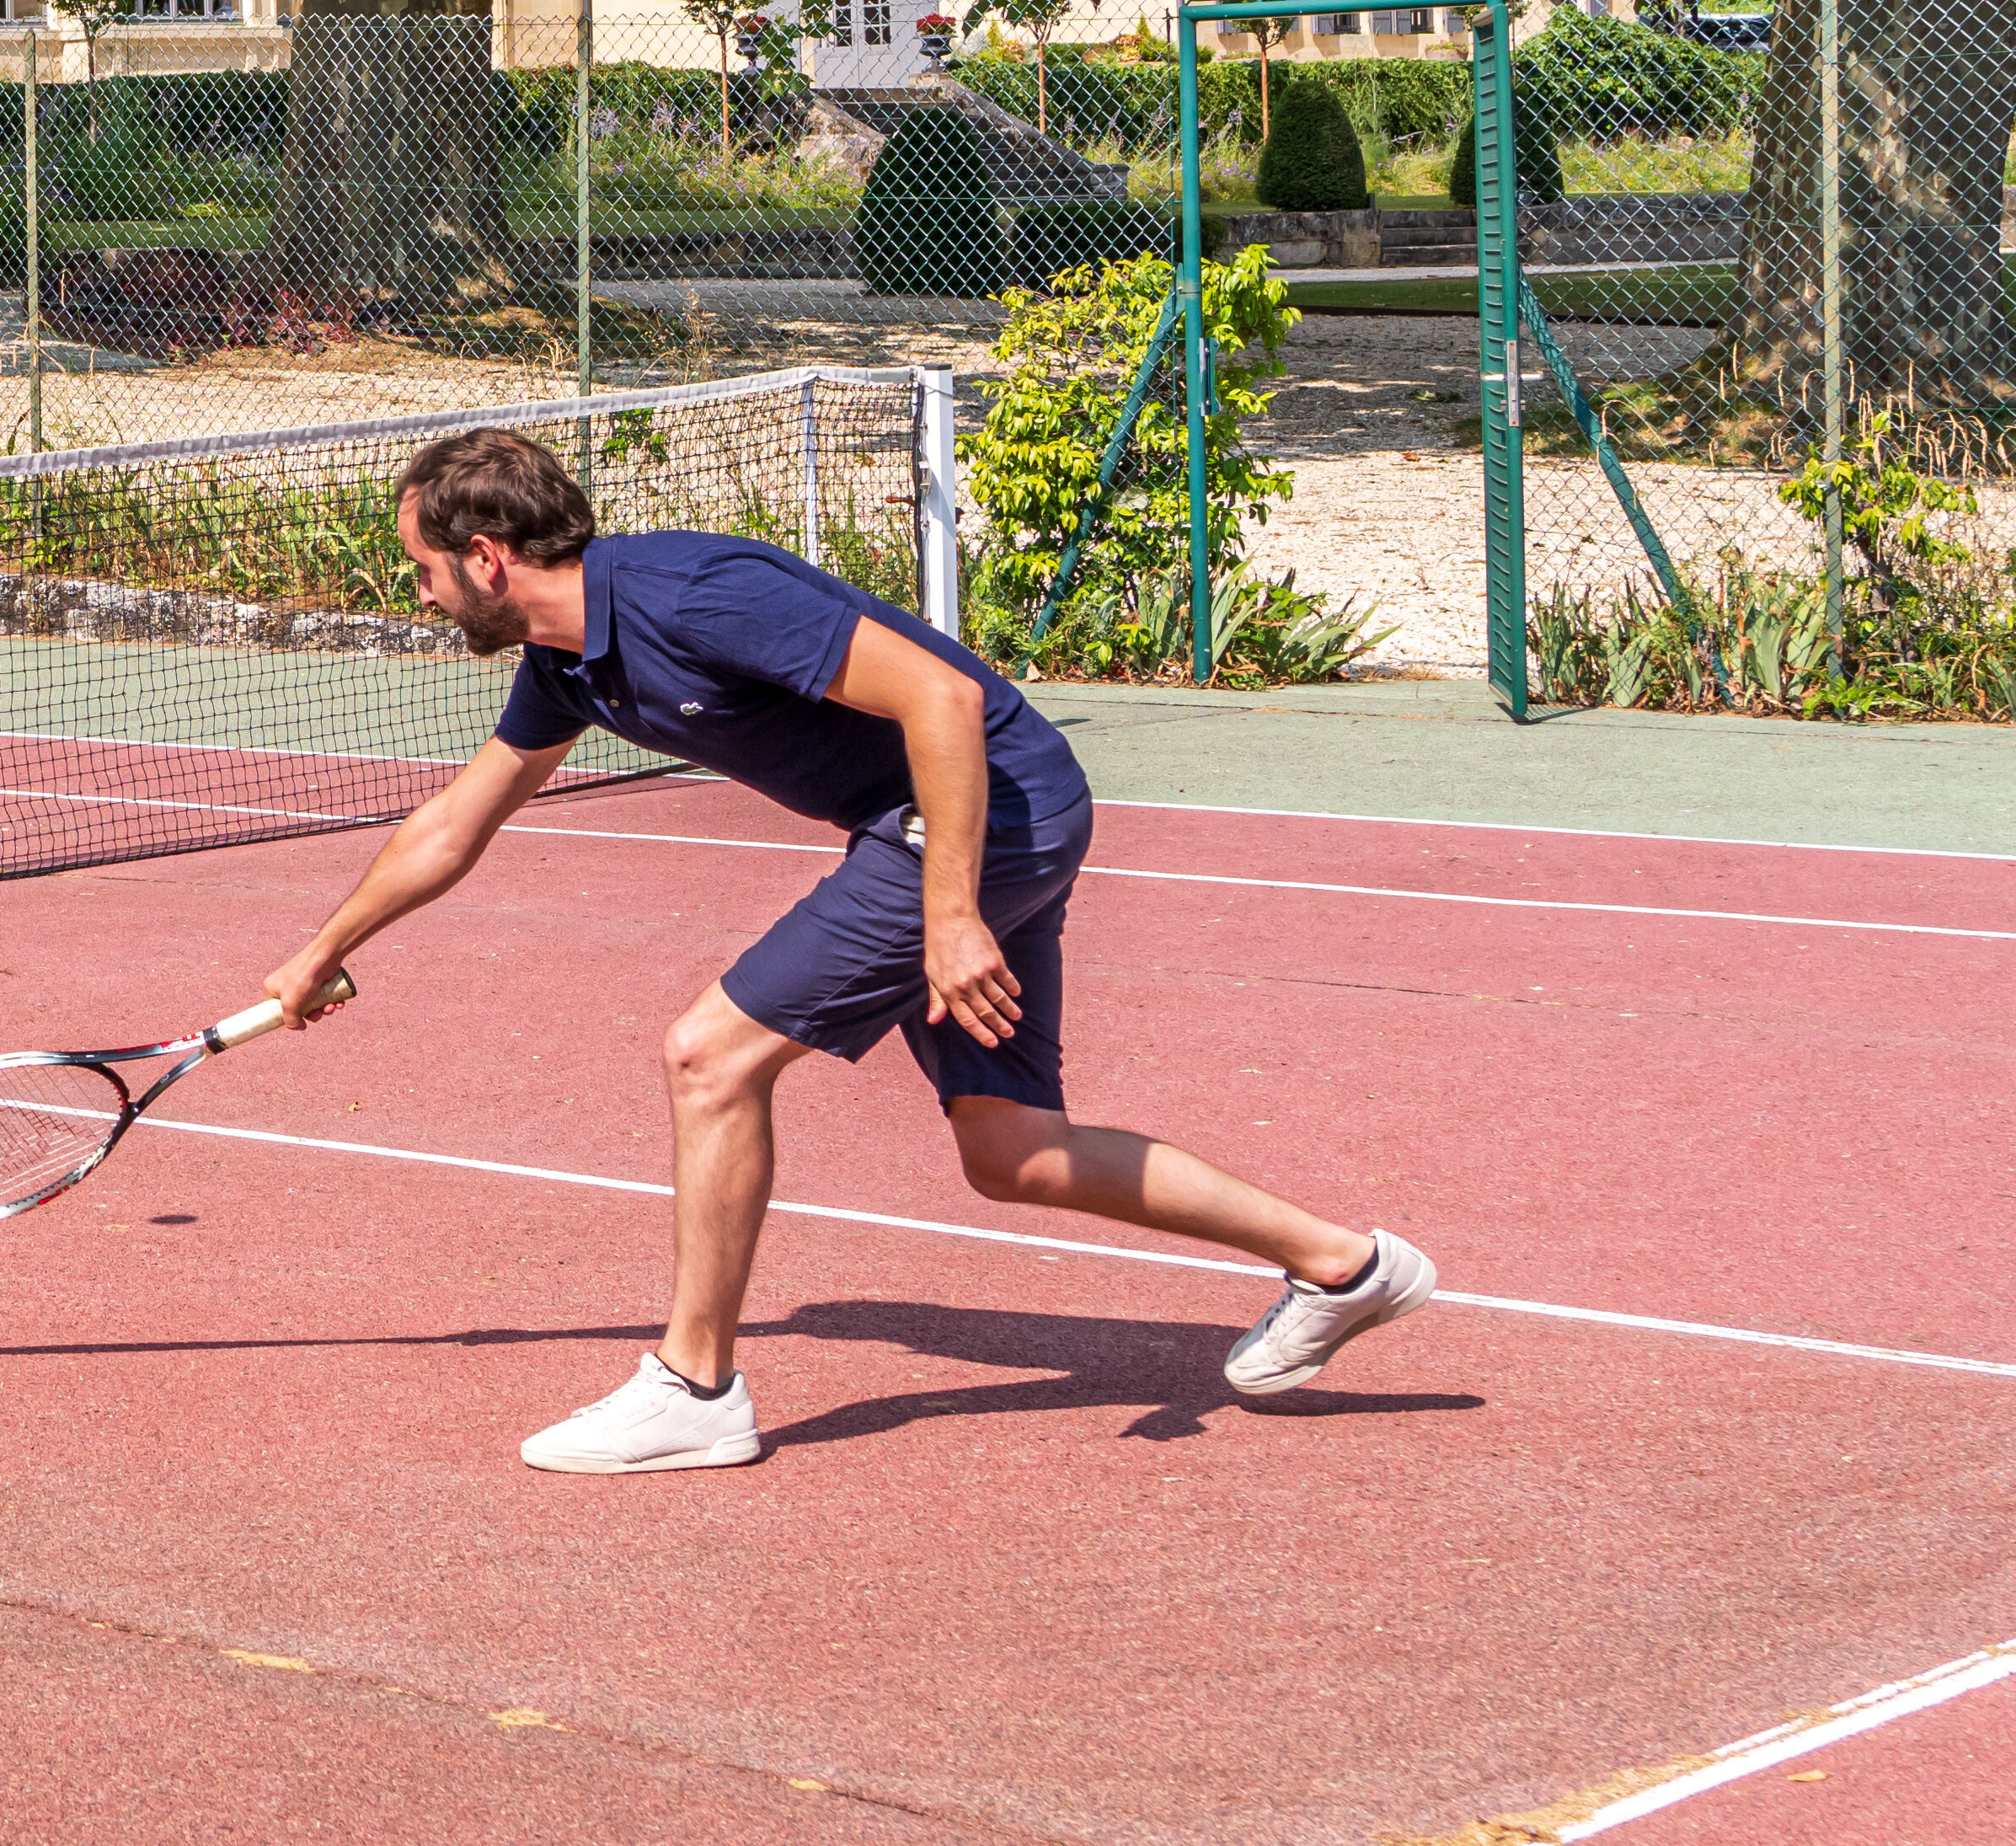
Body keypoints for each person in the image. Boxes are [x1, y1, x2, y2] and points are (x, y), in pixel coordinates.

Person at [256, 422, 1429, 1474]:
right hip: (977, 818)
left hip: (982, 809)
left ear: (487, 556)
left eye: (423, 567)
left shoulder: (690, 591)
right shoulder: (567, 664)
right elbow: (457, 822)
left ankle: (695, 1385)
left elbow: (943, 699)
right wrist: (322, 950)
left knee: (711, 1056)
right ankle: (1345, 1265)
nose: (421, 594)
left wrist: (954, 911)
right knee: (1012, 1151)